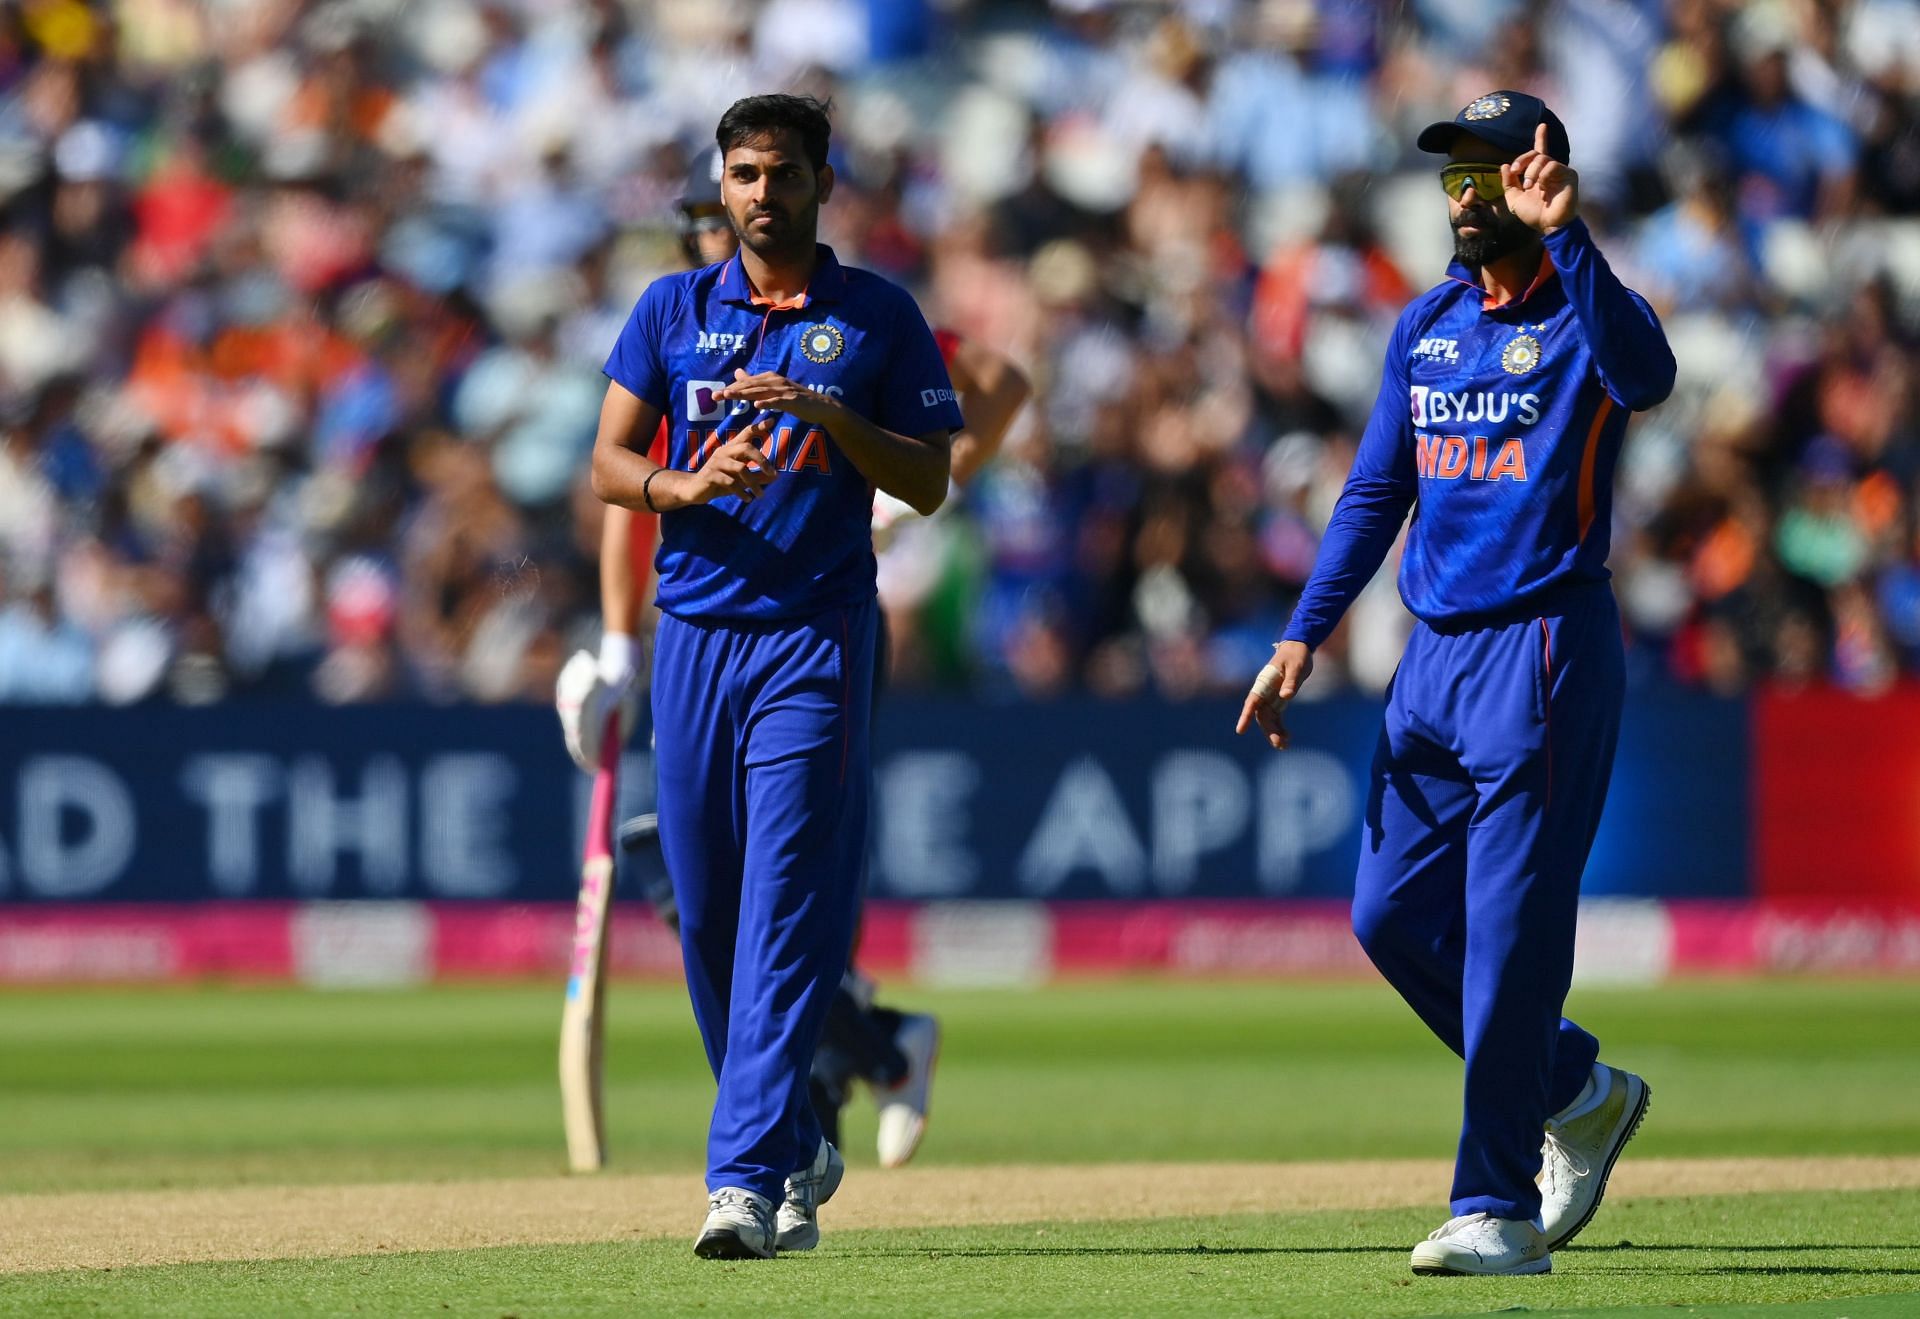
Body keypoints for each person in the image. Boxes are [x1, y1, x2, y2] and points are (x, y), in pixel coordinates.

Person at [1236, 91, 1675, 1277]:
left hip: (1540, 646)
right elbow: (1377, 491)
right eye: (1456, 176)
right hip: (1429, 659)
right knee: (1387, 914)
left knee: (1510, 946)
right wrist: (1301, 634)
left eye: (1492, 171)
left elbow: (1648, 378)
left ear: (1544, 177)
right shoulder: (1428, 323)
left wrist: (1574, 237)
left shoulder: (1586, 310)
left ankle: (1499, 1210)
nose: (1469, 194)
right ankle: (1577, 1087)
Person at [560, 145, 1029, 1176]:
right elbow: (620, 489)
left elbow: (992, 385)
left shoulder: (848, 312)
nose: (719, 221)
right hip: (689, 625)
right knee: (691, 876)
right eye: (708, 202)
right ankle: (867, 1047)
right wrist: (613, 639)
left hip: (816, 612)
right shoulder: (679, 309)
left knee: (790, 874)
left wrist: (889, 496)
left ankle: (779, 1136)